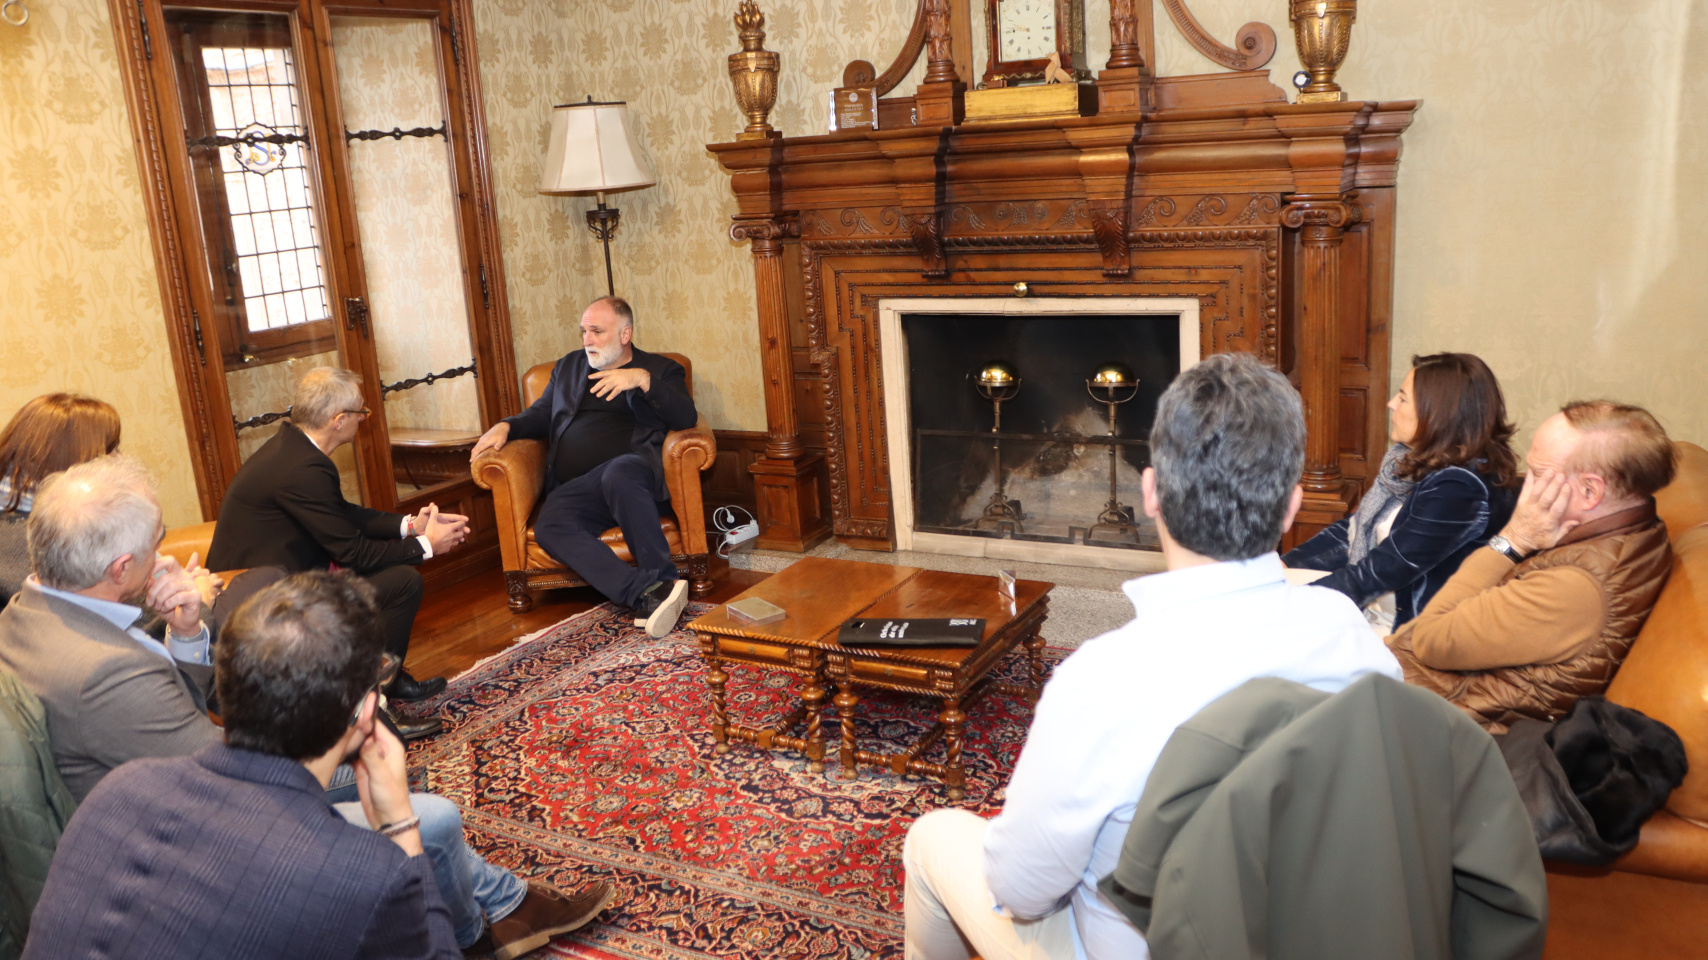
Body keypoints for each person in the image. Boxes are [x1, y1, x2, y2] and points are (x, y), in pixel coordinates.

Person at [901, 353, 1402, 960]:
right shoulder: (1352, 639)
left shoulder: (1101, 678)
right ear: (1294, 507)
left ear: (1150, 493)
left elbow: (1022, 890)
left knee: (932, 838)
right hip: (1300, 933)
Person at [0, 458, 606, 956]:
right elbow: (228, 769)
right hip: (208, 830)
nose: (164, 555)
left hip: (133, 811)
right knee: (434, 817)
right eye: (155, 544)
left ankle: (502, 907)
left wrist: (186, 632)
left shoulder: (28, 613)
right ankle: (484, 927)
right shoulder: (103, 673)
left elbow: (162, 711)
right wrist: (353, 772)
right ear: (119, 568)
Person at [1386, 400, 1675, 733]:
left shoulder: (1574, 589)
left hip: (1438, 728)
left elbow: (1432, 639)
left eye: (1538, 473)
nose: (1527, 484)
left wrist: (1513, 539)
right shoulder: (1628, 529)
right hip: (1424, 691)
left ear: (1589, 490)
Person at [208, 366, 467, 704]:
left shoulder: (294, 448)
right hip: (263, 605)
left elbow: (340, 513)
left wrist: (409, 526)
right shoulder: (302, 468)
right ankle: (373, 701)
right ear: (339, 419)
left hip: (282, 579)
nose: (365, 418)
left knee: (397, 577)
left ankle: (387, 681)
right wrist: (427, 546)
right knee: (403, 582)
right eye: (362, 411)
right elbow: (354, 555)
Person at [470, 296, 697, 637]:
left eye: (596, 331)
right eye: (583, 331)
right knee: (551, 525)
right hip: (579, 487)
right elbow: (543, 413)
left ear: (625, 334)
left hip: (632, 477)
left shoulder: (661, 369)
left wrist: (642, 379)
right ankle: (646, 592)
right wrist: (508, 425)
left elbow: (686, 417)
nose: (586, 340)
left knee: (619, 471)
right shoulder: (570, 366)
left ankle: (662, 577)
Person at [1284, 352, 1521, 633]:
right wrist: (1281, 566)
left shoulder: (1459, 489)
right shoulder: (1410, 464)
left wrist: (1286, 602)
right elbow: (1351, 531)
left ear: (1438, 412)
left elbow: (1385, 569)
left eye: (1403, 398)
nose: (1390, 404)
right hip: (1373, 610)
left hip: (1408, 631)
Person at [1, 393, 124, 603]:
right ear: (75, 460)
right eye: (111, 451)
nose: (119, 459)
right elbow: (144, 622)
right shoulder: (64, 540)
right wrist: (199, 599)